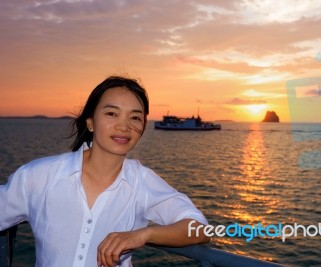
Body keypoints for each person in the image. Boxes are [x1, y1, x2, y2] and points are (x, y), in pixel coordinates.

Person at [0, 76, 210, 267]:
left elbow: (201, 229)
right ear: (90, 122)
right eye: (112, 113)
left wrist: (144, 234)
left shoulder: (142, 183)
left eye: (135, 118)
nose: (124, 126)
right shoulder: (38, 176)